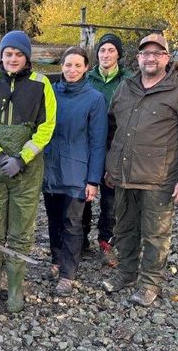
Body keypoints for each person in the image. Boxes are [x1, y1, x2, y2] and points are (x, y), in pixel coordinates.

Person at [102, 33, 178, 307]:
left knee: (155, 234)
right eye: (145, 53)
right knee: (125, 228)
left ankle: (150, 283)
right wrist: (110, 167)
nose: (150, 58)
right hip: (124, 177)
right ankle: (127, 273)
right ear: (137, 58)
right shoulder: (126, 87)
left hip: (159, 179)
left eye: (157, 53)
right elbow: (112, 127)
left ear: (167, 58)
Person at [0, 30, 57, 313]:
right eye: (8, 54)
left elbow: (47, 127)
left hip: (26, 171)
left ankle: (16, 288)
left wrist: (23, 157)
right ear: (0, 55)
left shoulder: (42, 84)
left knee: (21, 227)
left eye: (19, 54)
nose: (13, 59)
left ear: (27, 57)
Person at [42, 47, 107, 296]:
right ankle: (56, 261)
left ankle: (68, 273)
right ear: (61, 66)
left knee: (72, 222)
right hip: (50, 167)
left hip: (77, 172)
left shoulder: (95, 98)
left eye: (77, 66)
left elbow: (98, 142)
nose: (72, 70)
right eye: (68, 65)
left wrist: (93, 179)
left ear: (86, 68)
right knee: (53, 219)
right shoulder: (50, 92)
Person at [83, 33, 134, 265]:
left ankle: (106, 242)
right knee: (83, 196)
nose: (106, 55)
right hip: (89, 146)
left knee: (111, 199)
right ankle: (80, 240)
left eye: (111, 50)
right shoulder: (86, 78)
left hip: (116, 146)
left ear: (118, 55)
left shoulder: (129, 81)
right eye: (102, 50)